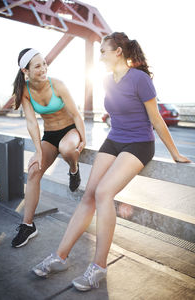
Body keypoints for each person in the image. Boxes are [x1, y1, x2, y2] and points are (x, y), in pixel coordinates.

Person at [32, 32, 191, 291]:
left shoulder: (140, 79)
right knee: (89, 195)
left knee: (104, 192)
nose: (100, 56)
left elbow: (156, 119)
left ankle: (98, 268)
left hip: (139, 143)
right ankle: (59, 256)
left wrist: (173, 152)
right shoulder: (106, 81)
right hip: (114, 140)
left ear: (118, 52)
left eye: (103, 51)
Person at [11, 48, 86, 248]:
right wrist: (38, 151)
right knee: (34, 169)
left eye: (44, 63)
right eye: (38, 66)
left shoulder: (58, 85)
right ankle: (28, 225)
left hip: (70, 130)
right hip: (50, 135)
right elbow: (32, 123)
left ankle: (74, 170)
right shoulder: (25, 91)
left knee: (67, 149)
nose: (44, 68)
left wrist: (83, 139)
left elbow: (77, 114)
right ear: (25, 71)